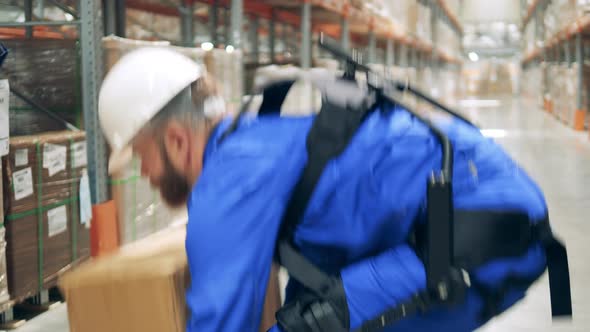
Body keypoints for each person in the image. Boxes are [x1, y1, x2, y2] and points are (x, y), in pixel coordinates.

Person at [98, 48, 568, 332]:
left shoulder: (229, 180)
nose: (144, 173)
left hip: (480, 235)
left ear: (177, 141)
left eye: (142, 156)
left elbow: (221, 322)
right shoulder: (250, 144)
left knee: (312, 326)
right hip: (486, 217)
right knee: (312, 307)